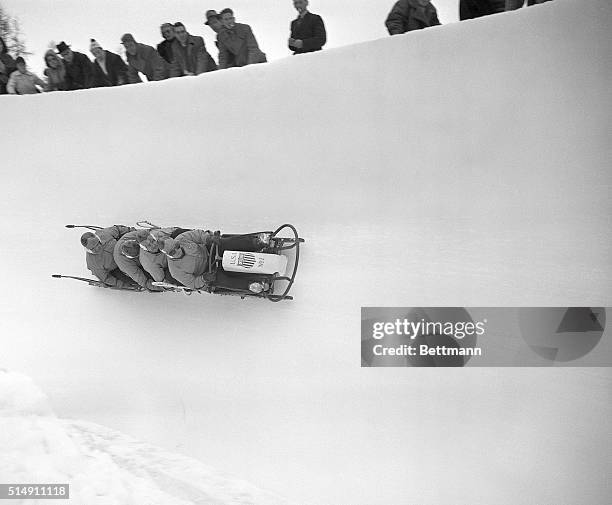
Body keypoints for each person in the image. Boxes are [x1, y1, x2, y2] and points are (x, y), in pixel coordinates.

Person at [162, 230, 272, 291]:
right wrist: (204, 278)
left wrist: (209, 239)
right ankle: (254, 285)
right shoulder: (175, 270)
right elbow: (192, 283)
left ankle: (257, 243)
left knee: (226, 243)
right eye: (172, 252)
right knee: (223, 280)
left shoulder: (181, 238)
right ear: (168, 254)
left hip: (210, 250)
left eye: (177, 246)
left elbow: (199, 235)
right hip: (208, 271)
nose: (177, 251)